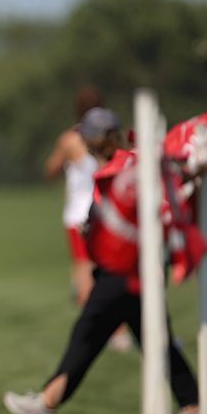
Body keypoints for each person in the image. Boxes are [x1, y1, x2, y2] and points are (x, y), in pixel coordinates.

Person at [3, 107, 199, 414]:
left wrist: (95, 228)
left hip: (124, 271)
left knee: (87, 333)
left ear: (93, 141)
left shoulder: (117, 169)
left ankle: (47, 402)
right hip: (140, 270)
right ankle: (193, 404)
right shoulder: (131, 161)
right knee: (153, 339)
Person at [44, 87, 133, 350]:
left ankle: (97, 333)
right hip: (108, 210)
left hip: (77, 214)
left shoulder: (70, 139)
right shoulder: (113, 136)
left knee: (83, 272)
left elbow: (50, 170)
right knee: (114, 268)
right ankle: (119, 329)